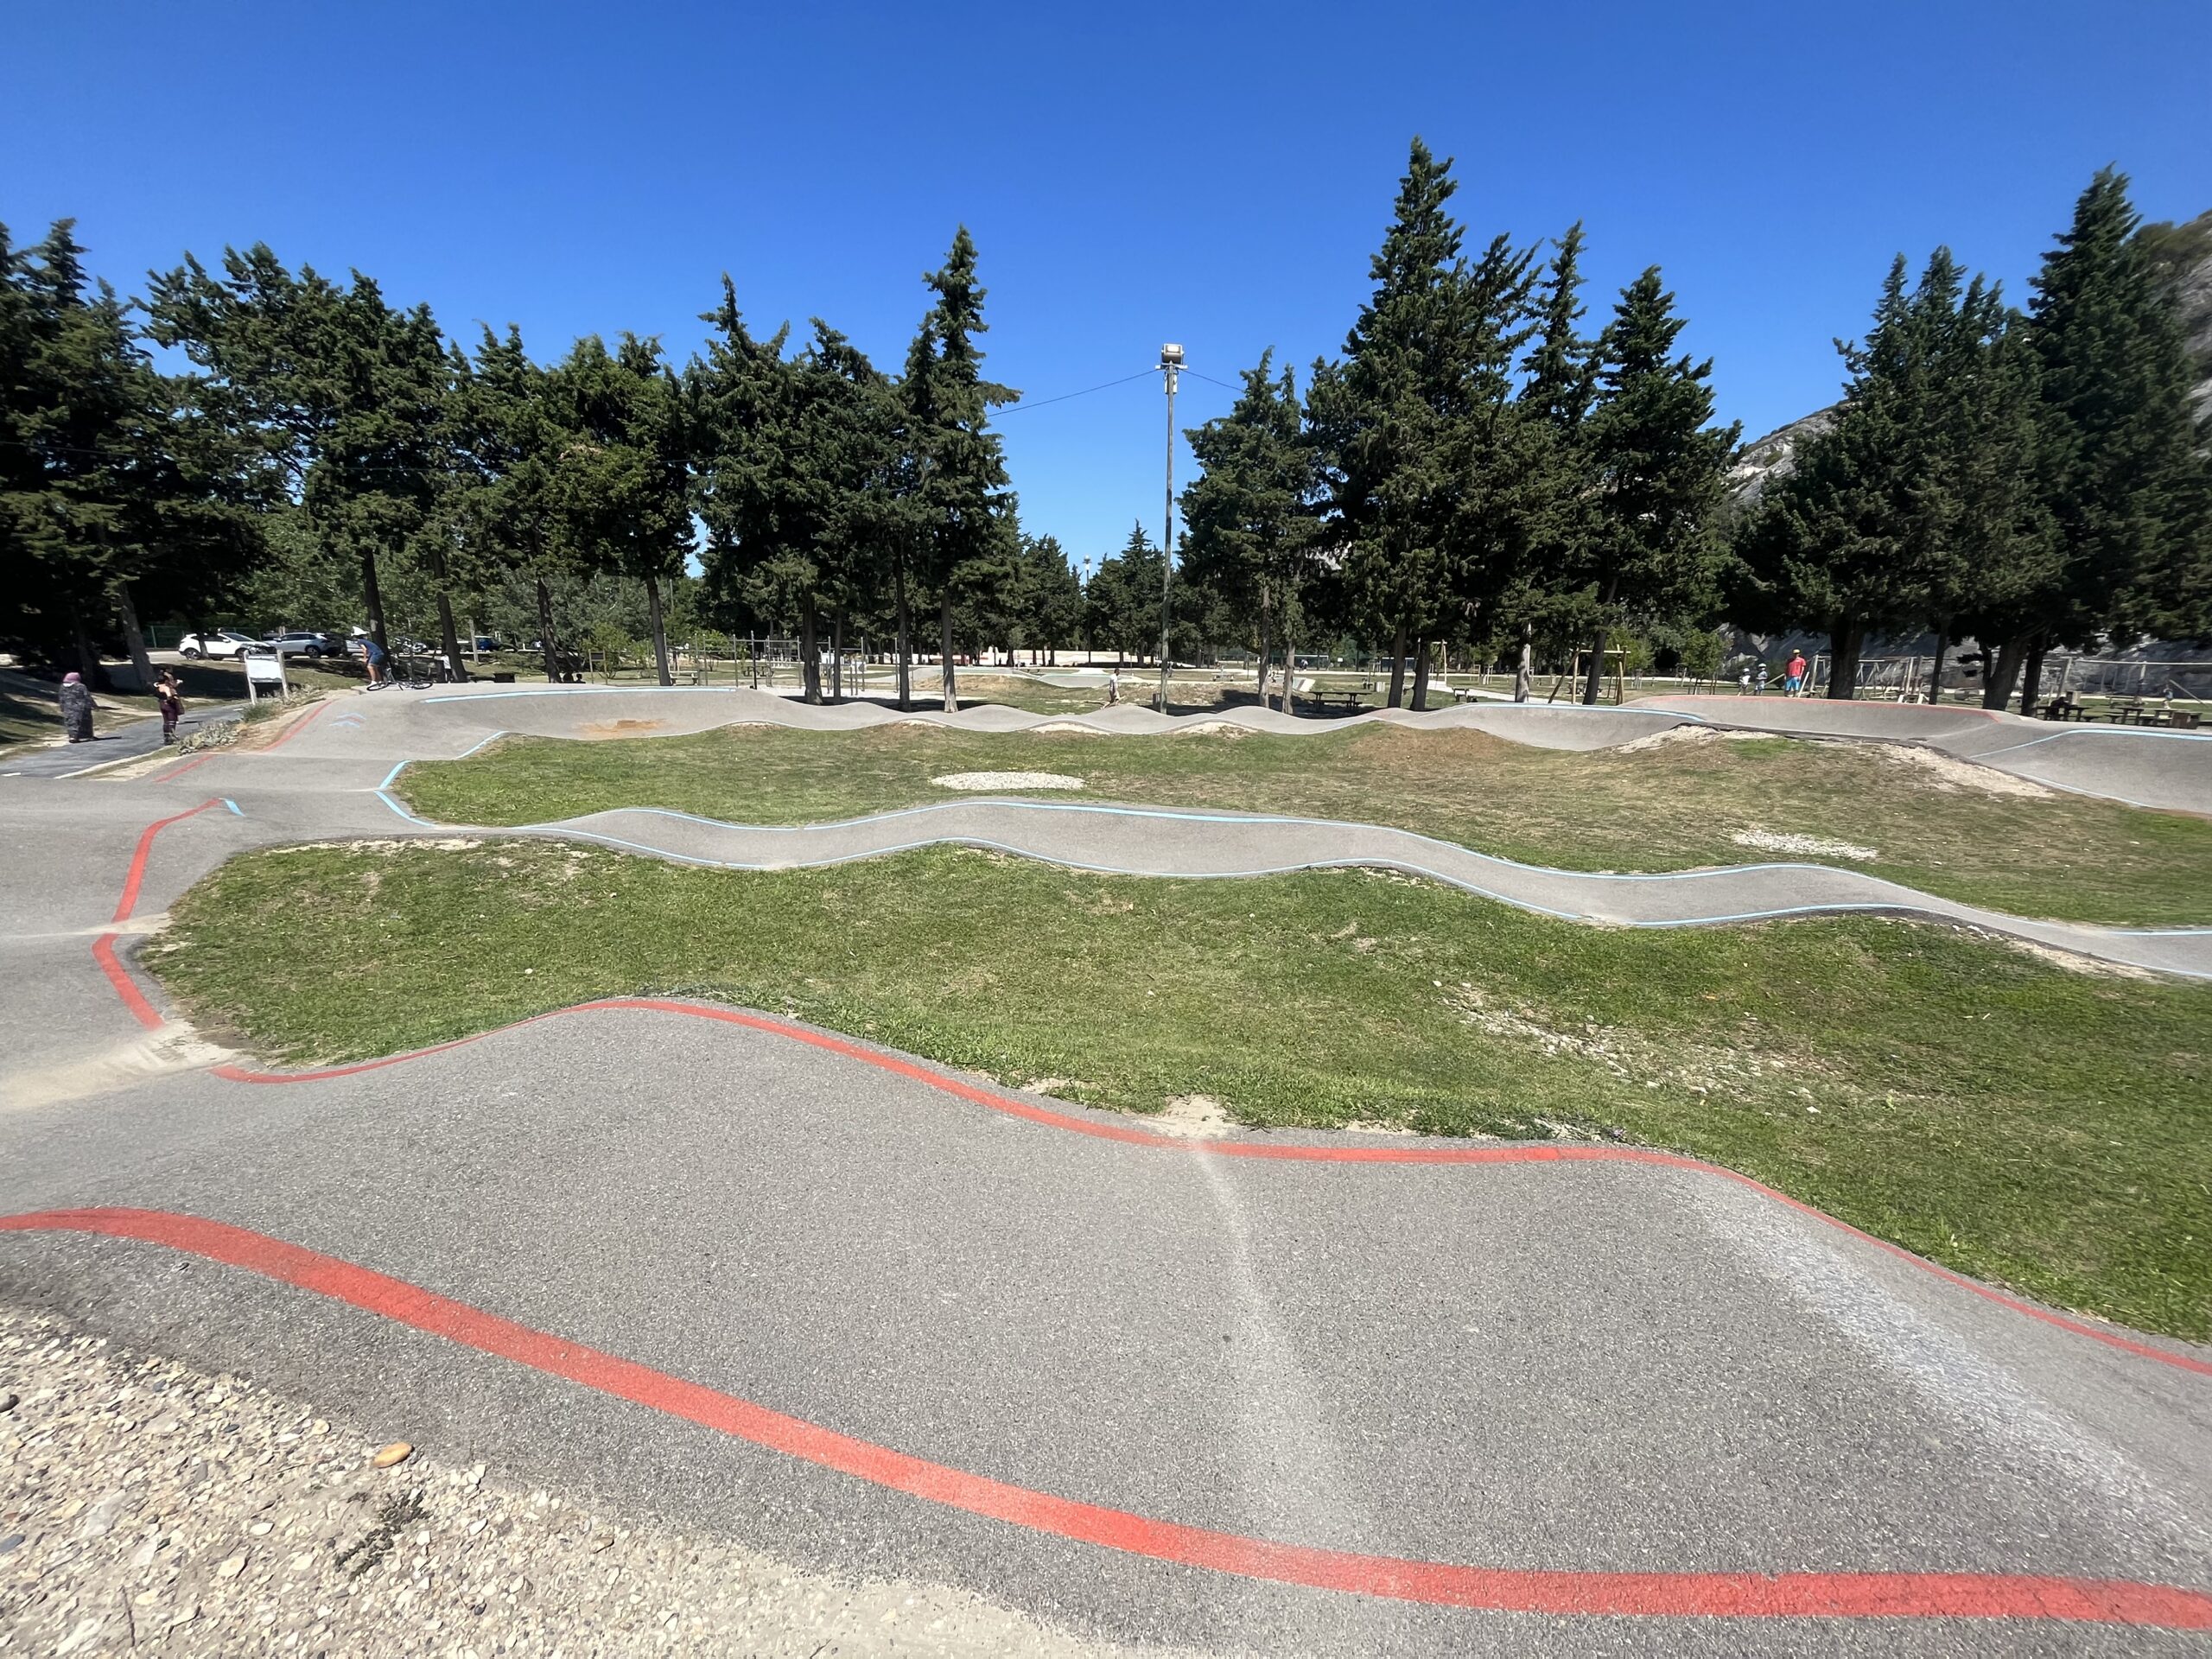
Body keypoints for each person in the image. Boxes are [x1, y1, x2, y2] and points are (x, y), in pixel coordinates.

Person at [58, 671, 95, 742]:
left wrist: (62, 707)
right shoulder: (81, 686)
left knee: (71, 722)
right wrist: (94, 705)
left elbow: (61, 698)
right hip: (82, 708)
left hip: (68, 708)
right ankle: (87, 736)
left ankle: (73, 737)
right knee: (85, 722)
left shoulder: (62, 687)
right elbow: (87, 696)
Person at [156, 667, 183, 744]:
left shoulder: (158, 687)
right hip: (168, 705)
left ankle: (166, 737)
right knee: (172, 721)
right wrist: (172, 698)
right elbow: (169, 696)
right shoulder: (166, 687)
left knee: (166, 721)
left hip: (161, 704)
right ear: (166, 680)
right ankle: (171, 737)